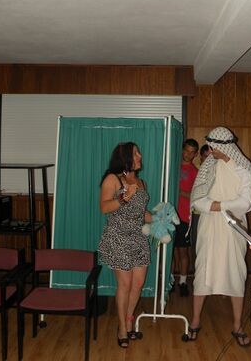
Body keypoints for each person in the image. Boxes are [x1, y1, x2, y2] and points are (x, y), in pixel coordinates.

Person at [187, 127, 251, 347]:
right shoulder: (208, 167)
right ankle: (195, 321)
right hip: (209, 226)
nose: (210, 152)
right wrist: (223, 206)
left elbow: (244, 203)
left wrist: (215, 206)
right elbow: (197, 201)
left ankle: (237, 325)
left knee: (236, 272)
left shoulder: (244, 169)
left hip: (234, 228)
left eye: (212, 147)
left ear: (223, 146)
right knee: (202, 271)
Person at [98, 142, 152, 349]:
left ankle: (129, 322)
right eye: (136, 153)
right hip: (118, 237)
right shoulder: (113, 179)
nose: (140, 156)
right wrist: (124, 198)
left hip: (138, 238)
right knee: (125, 285)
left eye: (139, 152)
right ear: (125, 157)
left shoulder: (141, 182)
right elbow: (104, 208)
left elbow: (141, 214)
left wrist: (160, 219)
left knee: (138, 284)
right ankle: (122, 328)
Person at [174, 138, 199, 297]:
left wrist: (179, 192)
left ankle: (183, 282)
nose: (188, 154)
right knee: (170, 251)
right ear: (182, 150)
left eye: (192, 152)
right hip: (168, 216)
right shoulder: (172, 167)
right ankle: (170, 280)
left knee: (183, 252)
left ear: (195, 154)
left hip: (184, 217)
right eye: (186, 151)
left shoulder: (195, 172)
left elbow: (196, 196)